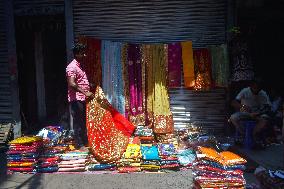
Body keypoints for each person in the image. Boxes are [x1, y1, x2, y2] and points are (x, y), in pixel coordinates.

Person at [66, 42, 94, 149]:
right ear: (77, 54)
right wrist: (85, 92)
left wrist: (90, 85)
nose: (84, 55)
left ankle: (84, 142)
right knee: (78, 121)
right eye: (82, 53)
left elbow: (81, 81)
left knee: (83, 121)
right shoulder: (71, 67)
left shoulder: (80, 66)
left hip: (82, 99)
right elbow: (72, 83)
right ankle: (79, 144)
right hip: (76, 99)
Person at [230, 78, 272, 146]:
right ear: (251, 86)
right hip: (244, 113)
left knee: (265, 119)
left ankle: (252, 134)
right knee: (232, 118)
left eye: (258, 88)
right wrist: (243, 106)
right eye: (255, 88)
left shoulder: (263, 93)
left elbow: (268, 107)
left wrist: (259, 113)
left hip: (257, 114)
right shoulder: (245, 91)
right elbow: (233, 102)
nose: (256, 90)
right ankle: (244, 134)